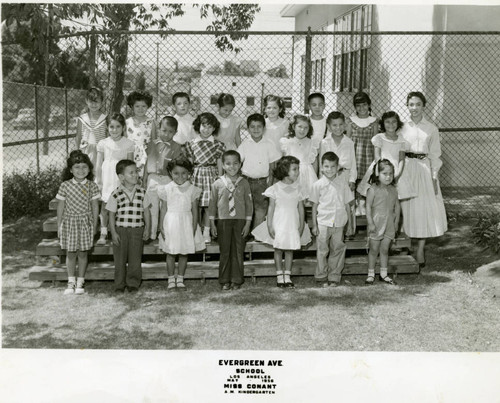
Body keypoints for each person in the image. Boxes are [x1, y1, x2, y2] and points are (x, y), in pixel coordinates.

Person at [400, 91, 448, 268]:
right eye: (411, 104)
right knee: (407, 207)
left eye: (418, 104)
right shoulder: (402, 127)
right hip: (406, 168)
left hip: (425, 169)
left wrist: (434, 175)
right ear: (407, 106)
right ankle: (405, 245)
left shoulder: (431, 128)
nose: (414, 108)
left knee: (424, 209)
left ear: (423, 106)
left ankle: (420, 249)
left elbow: (435, 154)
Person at [252, 156, 311, 288]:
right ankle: (279, 276)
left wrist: (301, 225)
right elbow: (271, 208)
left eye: (298, 169)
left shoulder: (299, 188)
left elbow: (301, 209)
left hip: (292, 223)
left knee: (290, 249)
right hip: (279, 222)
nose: (297, 172)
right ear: (285, 170)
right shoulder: (275, 188)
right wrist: (269, 224)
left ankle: (287, 276)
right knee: (278, 249)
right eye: (294, 169)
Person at [158, 157, 205, 291]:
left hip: (186, 222)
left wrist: (194, 227)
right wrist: (161, 226)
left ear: (189, 173)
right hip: (171, 222)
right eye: (176, 173)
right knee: (171, 252)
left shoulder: (193, 189)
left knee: (184, 252)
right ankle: (171, 278)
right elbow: (163, 208)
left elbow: (195, 210)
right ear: (171, 173)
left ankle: (180, 278)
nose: (180, 176)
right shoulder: (166, 189)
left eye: (184, 173)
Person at [56, 150, 100, 295]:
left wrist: (94, 226)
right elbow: (61, 207)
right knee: (70, 253)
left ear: (89, 168)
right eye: (77, 167)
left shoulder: (92, 186)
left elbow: (95, 207)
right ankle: (71, 282)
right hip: (69, 223)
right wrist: (59, 226)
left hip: (85, 223)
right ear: (70, 170)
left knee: (82, 253)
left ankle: (80, 281)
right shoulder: (65, 185)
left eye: (84, 167)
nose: (81, 170)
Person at [208, 150, 253, 291]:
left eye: (235, 163)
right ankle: (224, 280)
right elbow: (212, 204)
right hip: (223, 221)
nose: (232, 166)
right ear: (223, 164)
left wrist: (248, 223)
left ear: (240, 165)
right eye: (228, 163)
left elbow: (249, 204)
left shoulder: (244, 183)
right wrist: (212, 224)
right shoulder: (217, 183)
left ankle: (237, 279)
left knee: (238, 250)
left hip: (240, 221)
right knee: (225, 250)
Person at [106, 159, 151, 293]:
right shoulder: (116, 194)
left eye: (136, 172)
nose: (135, 175)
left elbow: (147, 213)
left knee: (135, 259)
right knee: (119, 260)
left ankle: (133, 283)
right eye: (131, 173)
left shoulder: (142, 192)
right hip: (120, 230)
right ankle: (119, 284)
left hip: (137, 230)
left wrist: (147, 228)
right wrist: (113, 233)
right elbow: (111, 215)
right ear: (121, 177)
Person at [310, 152, 353, 287]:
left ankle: (334, 276)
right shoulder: (317, 185)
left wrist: (350, 224)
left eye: (333, 166)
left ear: (338, 167)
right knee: (322, 250)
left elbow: (347, 205)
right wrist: (315, 225)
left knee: (337, 249)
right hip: (323, 222)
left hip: (339, 222)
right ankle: (321, 276)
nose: (329, 169)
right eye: (326, 166)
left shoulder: (343, 184)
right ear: (321, 167)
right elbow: (314, 205)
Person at [185, 112, 225, 243]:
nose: (206, 129)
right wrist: (188, 179)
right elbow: (190, 162)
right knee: (195, 205)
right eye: (204, 126)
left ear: (214, 128)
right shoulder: (191, 144)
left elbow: (219, 162)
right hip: (196, 175)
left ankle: (207, 231)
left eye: (210, 127)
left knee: (209, 205)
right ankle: (196, 231)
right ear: (198, 126)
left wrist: (220, 177)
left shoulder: (218, 145)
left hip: (210, 175)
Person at [237, 113, 281, 231]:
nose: (256, 129)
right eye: (252, 127)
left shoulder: (269, 144)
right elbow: (238, 162)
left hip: (262, 182)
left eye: (259, 126)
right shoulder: (245, 144)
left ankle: (256, 234)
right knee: (246, 207)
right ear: (247, 128)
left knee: (261, 209)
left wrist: (270, 184)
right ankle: (244, 233)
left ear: (264, 128)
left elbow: (273, 166)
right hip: (246, 181)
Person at [95, 113, 135, 245]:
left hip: (120, 179)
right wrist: (99, 181)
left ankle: (117, 232)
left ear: (123, 128)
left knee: (120, 206)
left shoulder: (128, 144)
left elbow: (130, 165)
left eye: (118, 126)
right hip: (107, 179)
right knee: (105, 207)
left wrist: (129, 181)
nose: (114, 130)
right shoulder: (103, 143)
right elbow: (99, 165)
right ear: (107, 128)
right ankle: (104, 232)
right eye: (111, 126)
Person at [357, 111, 415, 200]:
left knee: (393, 198)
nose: (391, 124)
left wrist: (397, 175)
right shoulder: (379, 138)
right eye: (387, 122)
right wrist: (380, 173)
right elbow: (377, 157)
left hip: (396, 170)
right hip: (381, 168)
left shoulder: (402, 140)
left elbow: (401, 159)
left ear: (398, 123)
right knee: (378, 197)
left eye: (394, 121)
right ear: (383, 124)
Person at [144, 116, 183, 239]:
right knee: (152, 207)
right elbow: (146, 162)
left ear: (175, 132)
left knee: (165, 208)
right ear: (159, 129)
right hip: (153, 178)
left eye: (170, 131)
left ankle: (164, 233)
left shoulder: (177, 147)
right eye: (164, 130)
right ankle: (151, 233)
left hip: (167, 179)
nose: (166, 134)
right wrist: (145, 179)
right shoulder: (151, 144)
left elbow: (176, 167)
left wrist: (175, 182)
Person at [320, 111, 356, 237]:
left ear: (345, 125)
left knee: (346, 205)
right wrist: (323, 181)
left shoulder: (349, 142)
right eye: (334, 125)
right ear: (329, 127)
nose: (338, 128)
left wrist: (352, 180)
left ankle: (348, 230)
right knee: (333, 203)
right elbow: (322, 163)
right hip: (330, 177)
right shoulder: (325, 142)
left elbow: (353, 163)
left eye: (341, 125)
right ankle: (331, 231)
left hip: (344, 176)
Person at [365, 159, 400, 285]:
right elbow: (368, 207)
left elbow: (397, 207)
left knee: (384, 249)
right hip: (377, 223)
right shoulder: (373, 189)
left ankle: (383, 274)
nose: (388, 176)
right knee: (374, 249)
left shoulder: (393, 190)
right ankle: (370, 274)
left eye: (390, 174)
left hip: (389, 223)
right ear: (377, 174)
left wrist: (396, 223)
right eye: (385, 174)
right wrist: (370, 223)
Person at [346, 92, 379, 216]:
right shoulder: (351, 121)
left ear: (369, 105)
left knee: (366, 180)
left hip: (369, 155)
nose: (362, 108)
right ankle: (353, 205)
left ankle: (363, 204)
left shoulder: (374, 122)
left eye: (364, 105)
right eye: (358, 106)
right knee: (355, 179)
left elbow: (376, 141)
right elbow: (348, 141)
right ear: (355, 107)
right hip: (355, 155)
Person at [280, 114, 319, 200]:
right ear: (293, 127)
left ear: (309, 129)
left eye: (306, 128)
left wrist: (314, 177)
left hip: (308, 175)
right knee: (293, 199)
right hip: (292, 174)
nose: (302, 130)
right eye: (300, 126)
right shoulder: (287, 142)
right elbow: (284, 162)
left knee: (309, 200)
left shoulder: (311, 143)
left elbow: (314, 162)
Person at [125, 90, 157, 177]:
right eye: (137, 106)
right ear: (132, 106)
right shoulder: (127, 122)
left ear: (148, 107)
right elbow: (124, 141)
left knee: (143, 180)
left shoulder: (151, 122)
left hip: (145, 156)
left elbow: (153, 143)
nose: (140, 109)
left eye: (143, 106)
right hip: (130, 155)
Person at [75, 87, 107, 167]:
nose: (94, 104)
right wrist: (77, 152)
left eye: (96, 102)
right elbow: (78, 136)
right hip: (85, 150)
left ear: (102, 102)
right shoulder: (82, 118)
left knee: (98, 172)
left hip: (100, 150)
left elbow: (107, 136)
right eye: (91, 102)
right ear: (86, 101)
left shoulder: (105, 118)